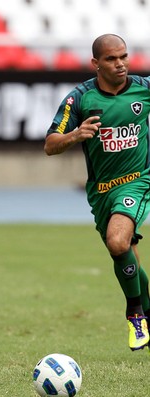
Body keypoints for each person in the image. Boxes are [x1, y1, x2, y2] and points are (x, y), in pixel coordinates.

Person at [44, 34, 150, 352]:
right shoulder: (80, 99)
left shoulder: (143, 89)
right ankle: (146, 311)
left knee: (118, 241)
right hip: (102, 191)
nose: (120, 64)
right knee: (124, 252)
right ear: (96, 64)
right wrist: (76, 134)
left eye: (124, 57)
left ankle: (134, 313)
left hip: (138, 180)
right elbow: (50, 145)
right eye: (111, 59)